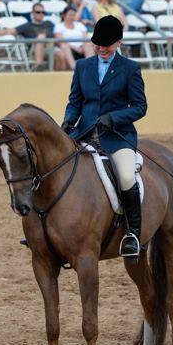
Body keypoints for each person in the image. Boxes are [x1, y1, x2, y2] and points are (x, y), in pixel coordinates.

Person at [61, 16, 147, 257]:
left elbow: (139, 107)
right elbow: (74, 102)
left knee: (127, 177)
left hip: (117, 137)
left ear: (119, 42)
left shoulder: (131, 68)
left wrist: (114, 117)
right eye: (98, 45)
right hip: (84, 134)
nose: (101, 50)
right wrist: (68, 121)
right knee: (55, 169)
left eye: (106, 46)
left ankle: (133, 235)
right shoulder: (82, 67)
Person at [0, 2, 55, 69]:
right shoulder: (27, 26)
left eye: (43, 12)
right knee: (40, 38)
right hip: (34, 50)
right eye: (38, 12)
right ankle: (38, 67)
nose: (41, 14)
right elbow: (10, 31)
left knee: (60, 55)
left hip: (50, 48)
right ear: (32, 13)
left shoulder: (49, 23)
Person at [54, 6, 93, 70]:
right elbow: (60, 41)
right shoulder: (59, 26)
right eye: (70, 15)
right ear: (64, 15)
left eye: (73, 15)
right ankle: (74, 69)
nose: (72, 17)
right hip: (68, 48)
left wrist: (82, 47)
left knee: (88, 44)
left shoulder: (79, 25)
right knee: (64, 45)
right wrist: (75, 48)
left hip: (82, 47)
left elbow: (85, 38)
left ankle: (90, 68)